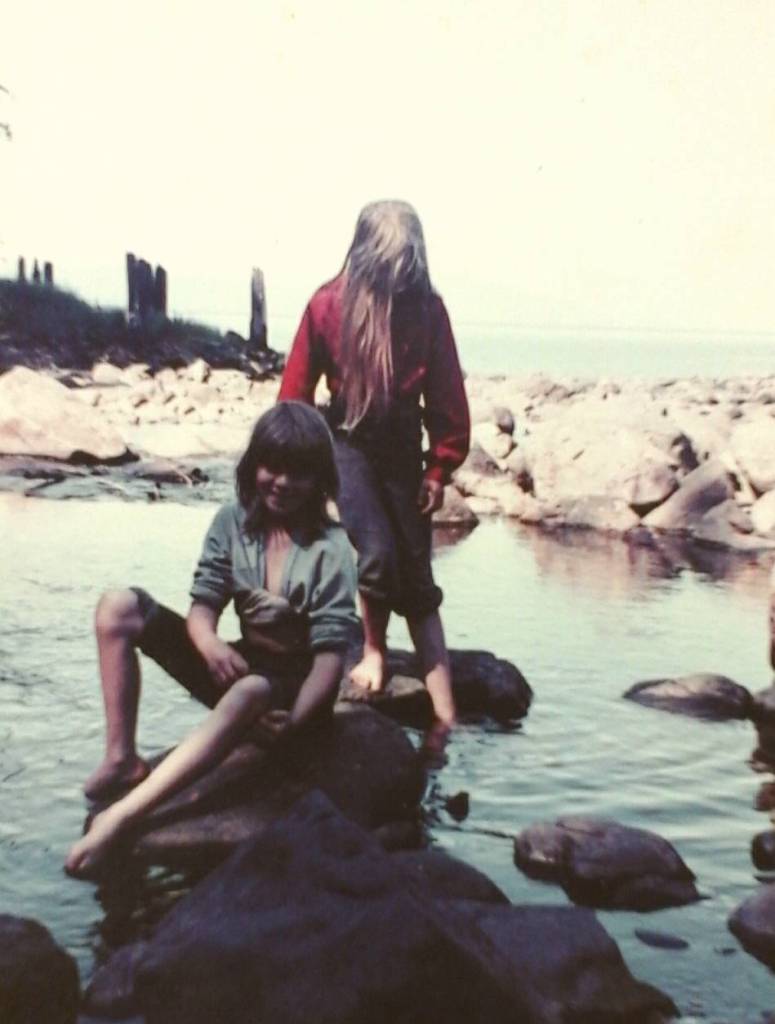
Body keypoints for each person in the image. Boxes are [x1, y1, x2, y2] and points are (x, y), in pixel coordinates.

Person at [65, 401, 358, 878]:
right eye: (272, 468)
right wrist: (208, 644)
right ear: (252, 467)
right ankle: (121, 758)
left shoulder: (331, 549)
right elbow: (205, 605)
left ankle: (122, 817)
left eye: (299, 474)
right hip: (240, 666)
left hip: (295, 690)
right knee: (119, 606)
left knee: (249, 689)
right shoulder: (232, 522)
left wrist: (297, 723)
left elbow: (330, 659)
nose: (282, 483)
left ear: (319, 480)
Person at [279, 200, 470, 736]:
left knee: (416, 570)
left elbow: (447, 396)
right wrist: (300, 468)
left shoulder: (428, 310)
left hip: (404, 444)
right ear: (364, 255)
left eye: (407, 265)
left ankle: (446, 716)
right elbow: (295, 394)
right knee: (378, 555)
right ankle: (375, 653)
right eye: (389, 264)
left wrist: (439, 468)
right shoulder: (327, 305)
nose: (399, 277)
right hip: (346, 441)